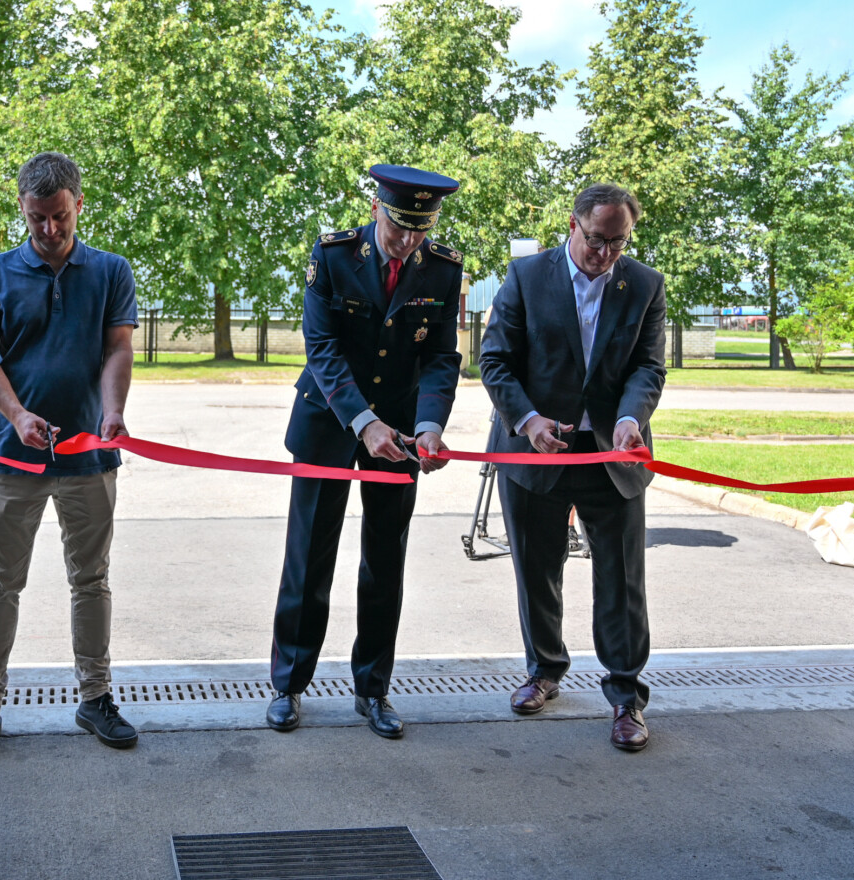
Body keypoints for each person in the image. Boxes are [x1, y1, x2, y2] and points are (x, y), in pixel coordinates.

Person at [266, 164, 464, 739]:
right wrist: (363, 422)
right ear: (377, 209)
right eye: (400, 226)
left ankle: (373, 689)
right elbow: (322, 347)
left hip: (400, 434)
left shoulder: (443, 268)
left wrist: (429, 426)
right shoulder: (332, 256)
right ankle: (288, 684)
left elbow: (441, 356)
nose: (408, 241)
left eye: (421, 229)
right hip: (330, 423)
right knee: (309, 556)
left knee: (385, 561)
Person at [0, 151, 139, 763]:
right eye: (37, 218)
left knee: (91, 579)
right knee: (1, 582)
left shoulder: (111, 271)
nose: (49, 229)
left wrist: (112, 410)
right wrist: (17, 415)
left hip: (90, 457)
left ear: (79, 204)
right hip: (16, 457)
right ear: (22, 208)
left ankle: (95, 697)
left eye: (59, 215)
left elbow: (117, 349)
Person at [478, 182, 666, 752]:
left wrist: (631, 419)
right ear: (572, 225)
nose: (606, 253)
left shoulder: (645, 285)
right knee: (537, 570)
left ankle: (627, 696)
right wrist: (528, 420)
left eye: (618, 242)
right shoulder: (526, 277)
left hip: (612, 456)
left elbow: (648, 368)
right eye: (597, 239)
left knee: (622, 580)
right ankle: (543, 671)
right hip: (535, 453)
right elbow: (495, 361)